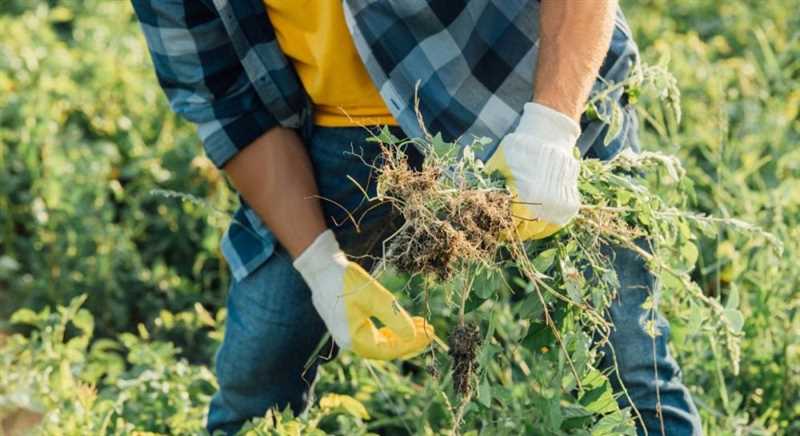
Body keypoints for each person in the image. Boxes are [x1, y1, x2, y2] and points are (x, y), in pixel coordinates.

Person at [132, 1, 702, 434]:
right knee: (259, 367)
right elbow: (226, 101)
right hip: (334, 131)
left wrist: (552, 130)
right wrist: (320, 266)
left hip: (525, 81)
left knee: (630, 359)